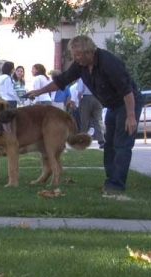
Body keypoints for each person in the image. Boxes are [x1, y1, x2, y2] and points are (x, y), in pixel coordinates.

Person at [26, 35, 143, 197]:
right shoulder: (81, 65)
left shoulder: (109, 63)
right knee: (109, 144)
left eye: (78, 55)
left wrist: (131, 116)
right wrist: (38, 91)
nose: (75, 59)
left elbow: (127, 91)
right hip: (113, 106)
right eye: (74, 55)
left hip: (127, 103)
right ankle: (111, 179)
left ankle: (116, 185)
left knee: (122, 144)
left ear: (89, 52)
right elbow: (62, 81)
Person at [76, 78, 105, 149]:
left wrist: (81, 103)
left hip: (87, 98)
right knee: (97, 121)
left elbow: (79, 93)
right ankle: (101, 141)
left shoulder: (83, 77)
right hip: (98, 98)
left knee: (84, 122)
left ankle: (83, 141)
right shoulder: (98, 76)